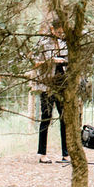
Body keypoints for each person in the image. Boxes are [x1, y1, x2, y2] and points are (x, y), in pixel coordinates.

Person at [34, 22, 69, 164]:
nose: (60, 34)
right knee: (46, 118)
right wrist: (52, 61)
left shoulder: (64, 43)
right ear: (52, 29)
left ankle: (65, 154)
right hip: (47, 86)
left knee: (64, 119)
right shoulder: (42, 43)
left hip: (62, 86)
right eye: (59, 31)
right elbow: (35, 62)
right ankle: (42, 154)